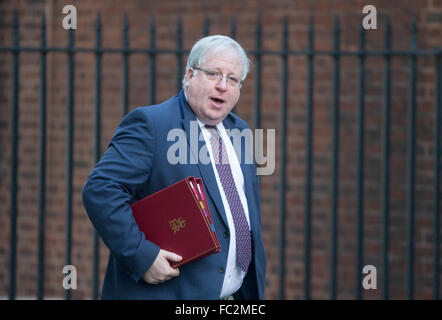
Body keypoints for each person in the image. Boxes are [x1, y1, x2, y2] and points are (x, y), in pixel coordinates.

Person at [82, 35, 267, 300]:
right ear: (190, 74)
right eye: (214, 74)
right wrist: (141, 256)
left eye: (233, 79)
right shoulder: (152, 124)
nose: (223, 86)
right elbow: (100, 190)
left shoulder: (241, 132)